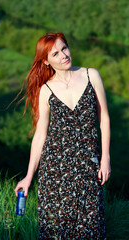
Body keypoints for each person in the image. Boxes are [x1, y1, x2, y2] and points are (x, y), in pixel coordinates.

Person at [15, 32, 111, 239]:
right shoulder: (46, 90)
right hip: (54, 171)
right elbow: (41, 135)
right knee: (57, 231)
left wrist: (106, 158)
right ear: (46, 61)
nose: (63, 56)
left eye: (64, 48)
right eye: (55, 54)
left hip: (88, 166)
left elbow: (104, 118)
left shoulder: (90, 75)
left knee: (91, 228)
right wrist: (29, 176)